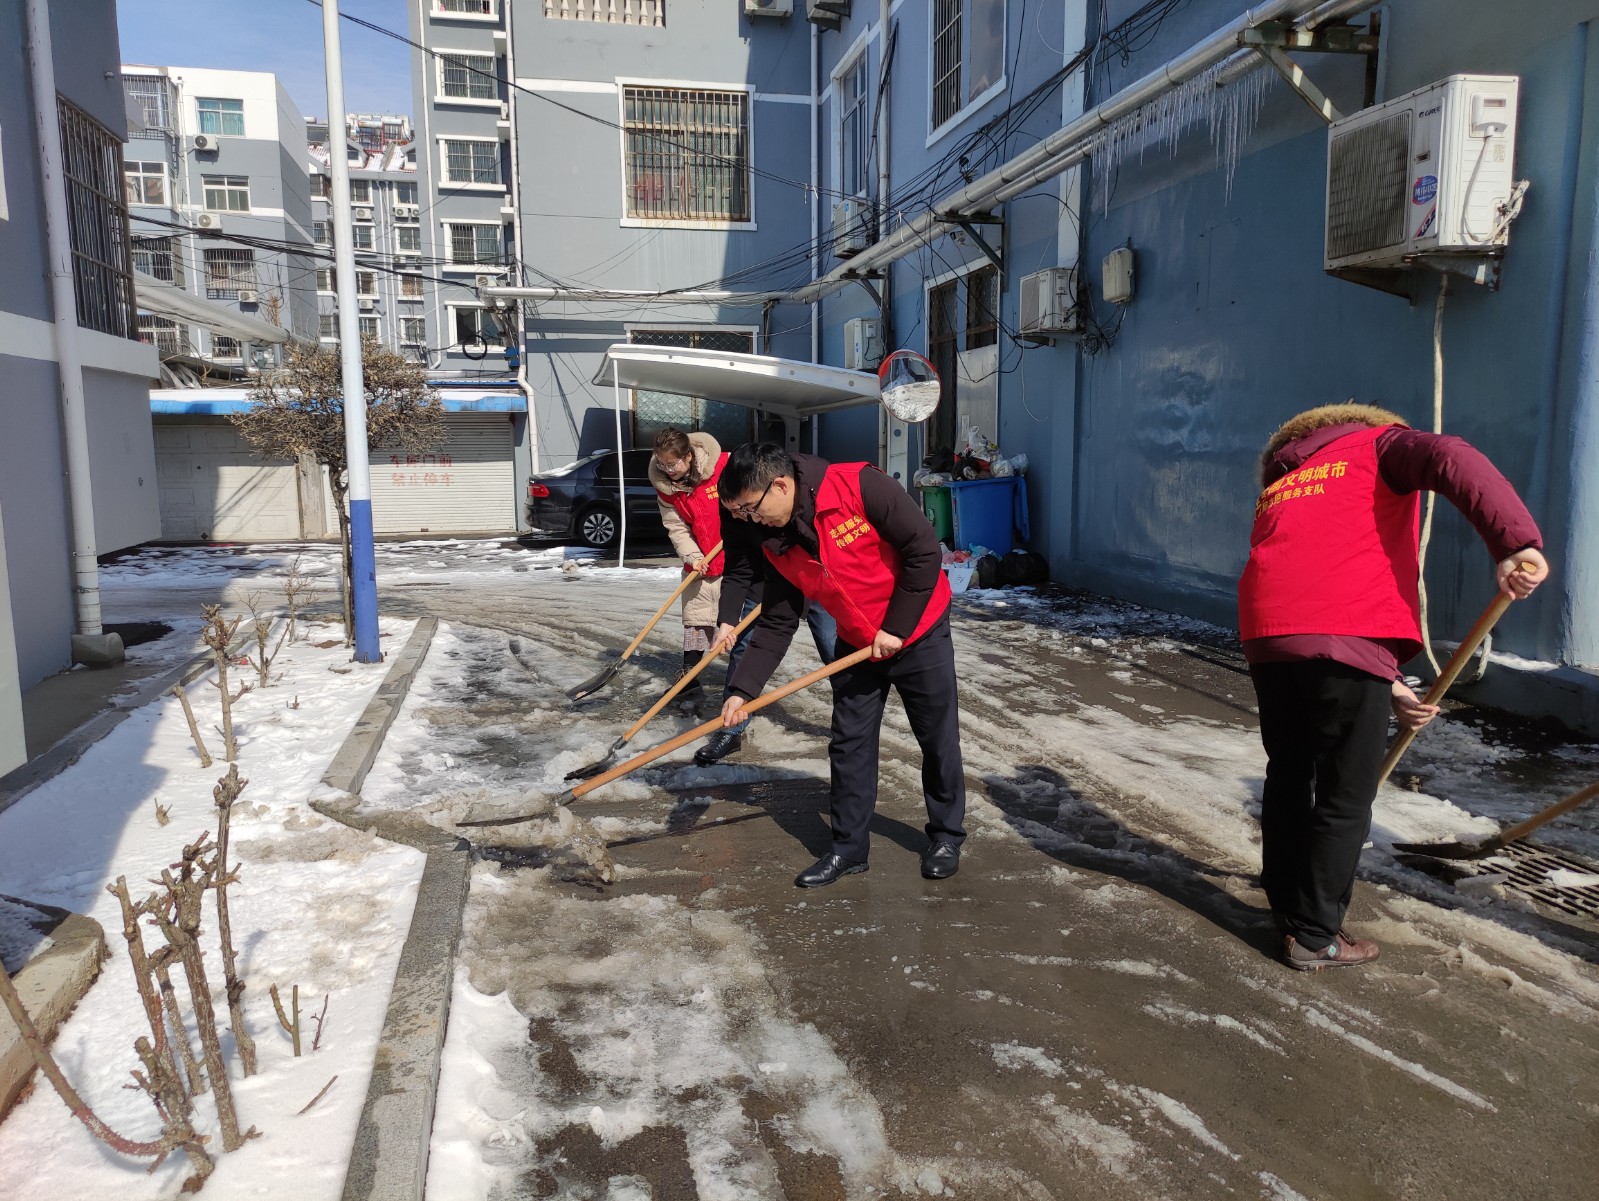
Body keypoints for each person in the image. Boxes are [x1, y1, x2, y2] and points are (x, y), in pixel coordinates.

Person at [1238, 402, 1549, 971]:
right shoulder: (1377, 444)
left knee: (1290, 772)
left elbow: (1316, 575)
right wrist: (1515, 542)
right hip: (1342, 628)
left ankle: (1286, 903)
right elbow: (1451, 454)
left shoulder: (1286, 478)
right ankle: (1314, 936)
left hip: (1268, 636)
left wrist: (1390, 686)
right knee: (1345, 790)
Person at [716, 443, 966, 887]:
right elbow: (776, 621)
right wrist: (742, 690)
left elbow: (924, 549)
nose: (751, 521)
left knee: (936, 737)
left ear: (780, 485)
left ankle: (946, 835)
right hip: (856, 642)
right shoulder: (778, 541)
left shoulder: (859, 485)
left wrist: (898, 626)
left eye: (751, 509)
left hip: (918, 631)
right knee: (848, 743)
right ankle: (849, 848)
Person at [697, 514, 839, 765]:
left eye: (745, 506)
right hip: (764, 583)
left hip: (817, 576)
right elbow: (737, 569)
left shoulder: (794, 493)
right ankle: (731, 730)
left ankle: (851, 720)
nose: (740, 511)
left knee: (834, 650)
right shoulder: (731, 505)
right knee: (745, 649)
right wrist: (727, 621)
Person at [647, 428, 726, 698]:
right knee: (696, 620)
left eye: (672, 463)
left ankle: (740, 685)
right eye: (662, 464)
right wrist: (693, 557)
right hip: (702, 561)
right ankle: (689, 678)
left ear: (689, 456)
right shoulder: (667, 490)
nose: (667, 470)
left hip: (736, 559)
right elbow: (677, 528)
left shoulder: (721, 468)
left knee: (735, 624)